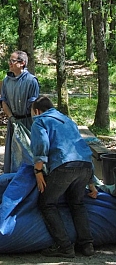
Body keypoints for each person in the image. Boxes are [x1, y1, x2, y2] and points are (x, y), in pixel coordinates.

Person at [30, 95, 96, 258]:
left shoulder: (40, 120)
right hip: (85, 166)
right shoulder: (68, 121)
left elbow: (42, 144)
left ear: (37, 111)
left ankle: (64, 246)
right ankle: (87, 245)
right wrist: (92, 183)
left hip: (64, 166)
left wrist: (38, 171)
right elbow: (81, 146)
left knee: (47, 203)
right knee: (77, 202)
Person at [0, 50, 39, 173]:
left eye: (13, 60)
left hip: (27, 123)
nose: (10, 63)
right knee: (12, 154)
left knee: (28, 153)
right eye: (9, 60)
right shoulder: (6, 81)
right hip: (13, 122)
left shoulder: (31, 81)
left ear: (22, 63)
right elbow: (3, 101)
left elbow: (34, 106)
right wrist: (11, 117)